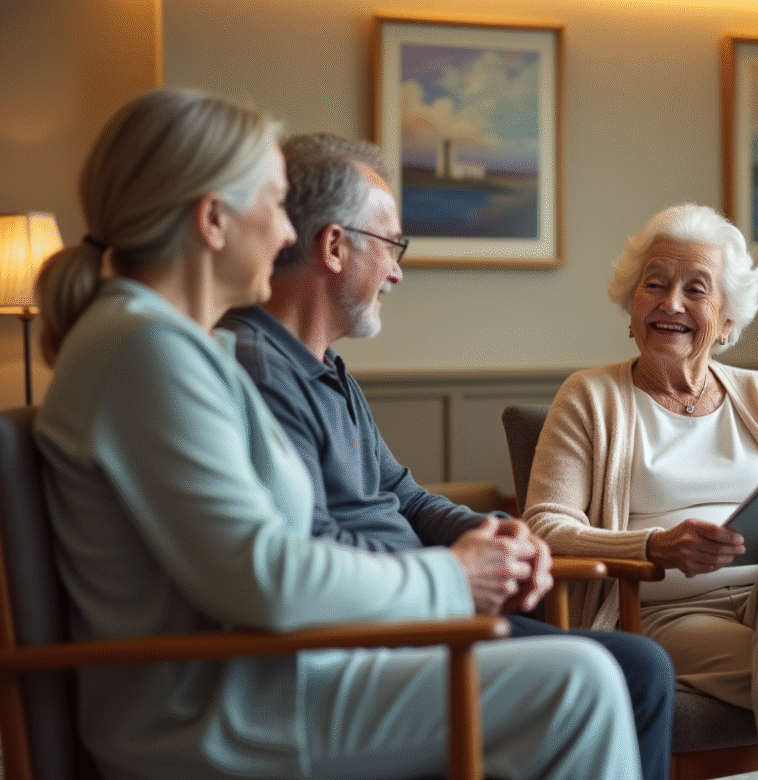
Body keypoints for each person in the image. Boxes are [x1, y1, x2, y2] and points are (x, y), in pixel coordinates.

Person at [32, 87, 640, 780]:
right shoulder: (144, 352)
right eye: (272, 204)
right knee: (577, 683)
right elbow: (261, 576)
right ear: (212, 219)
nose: (288, 233)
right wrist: (454, 576)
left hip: (270, 677)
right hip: (223, 712)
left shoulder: (175, 347)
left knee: (579, 673)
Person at [217, 132, 674, 780]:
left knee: (639, 668)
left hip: (422, 608)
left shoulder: (326, 368)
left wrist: (491, 535)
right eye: (392, 246)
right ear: (335, 245)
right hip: (370, 636)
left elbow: (402, 496)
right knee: (632, 671)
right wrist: (455, 572)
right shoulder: (258, 369)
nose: (398, 271)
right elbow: (309, 546)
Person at [522, 203, 758, 780]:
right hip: (665, 612)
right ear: (631, 306)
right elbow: (544, 525)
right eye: (655, 285)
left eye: (696, 290)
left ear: (727, 319)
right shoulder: (589, 398)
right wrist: (656, 547)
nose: (671, 304)